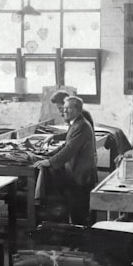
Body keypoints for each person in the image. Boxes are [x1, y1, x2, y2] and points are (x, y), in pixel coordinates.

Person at [34, 96, 98, 225]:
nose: (64, 111)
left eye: (68, 108)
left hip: (81, 175)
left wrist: (50, 162)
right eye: (64, 108)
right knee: (76, 210)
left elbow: (70, 149)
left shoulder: (81, 125)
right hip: (77, 173)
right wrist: (50, 154)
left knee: (79, 212)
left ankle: (81, 241)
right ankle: (78, 238)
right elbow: (66, 144)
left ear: (77, 109)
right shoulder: (77, 123)